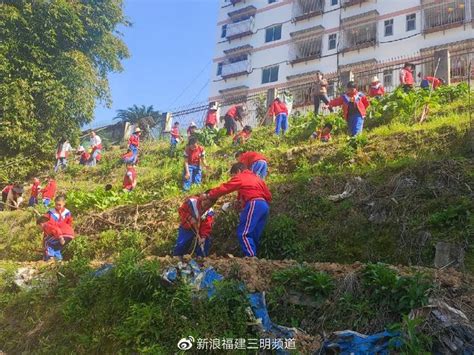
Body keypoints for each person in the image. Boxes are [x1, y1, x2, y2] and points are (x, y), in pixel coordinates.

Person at [202, 162, 272, 257]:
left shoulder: (241, 177)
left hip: (254, 203)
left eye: (233, 176)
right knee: (255, 234)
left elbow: (225, 188)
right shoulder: (256, 178)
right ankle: (255, 257)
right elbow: (268, 195)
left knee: (243, 233)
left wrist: (209, 194)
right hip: (264, 205)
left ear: (238, 171)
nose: (232, 179)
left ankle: (251, 257)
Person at [40, 195, 74, 261]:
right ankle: (55, 259)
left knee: (51, 244)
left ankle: (51, 259)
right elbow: (46, 221)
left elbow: (69, 223)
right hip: (53, 232)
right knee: (51, 245)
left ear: (64, 203)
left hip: (63, 233)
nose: (57, 206)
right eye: (56, 204)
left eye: (59, 205)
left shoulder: (67, 213)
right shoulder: (51, 212)